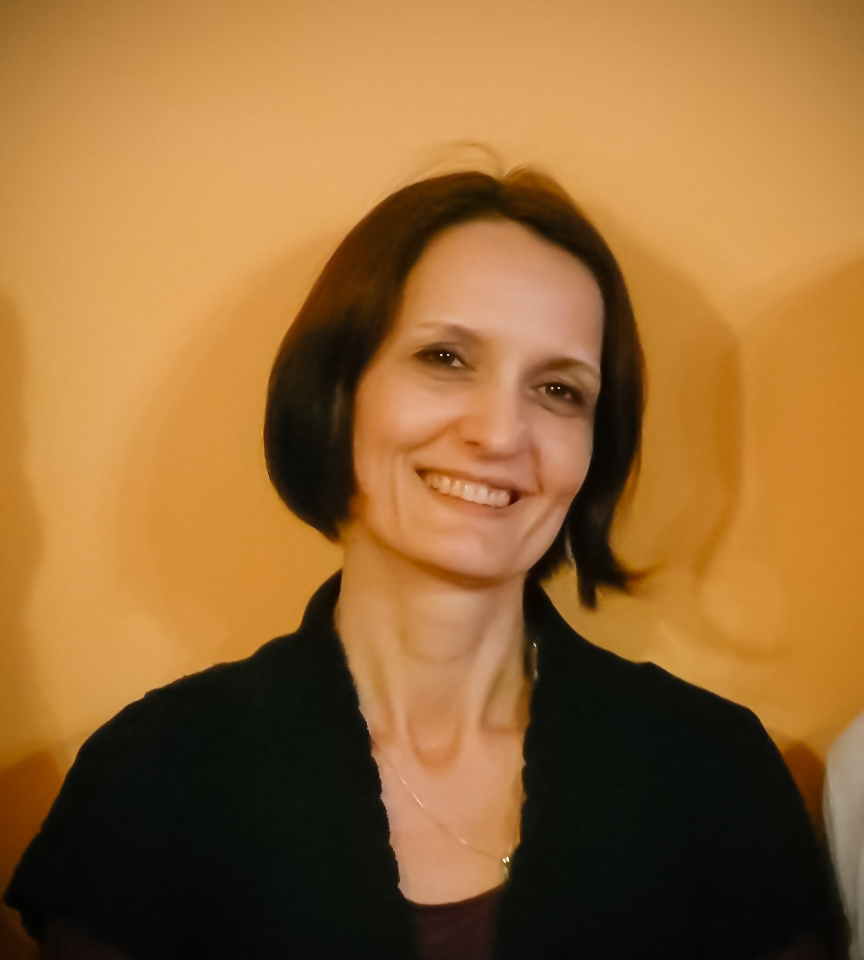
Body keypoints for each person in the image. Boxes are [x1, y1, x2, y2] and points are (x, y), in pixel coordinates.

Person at [5, 169, 844, 959]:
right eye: (445, 358)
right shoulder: (154, 776)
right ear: (337, 390)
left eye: (559, 390)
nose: (500, 433)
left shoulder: (713, 771)